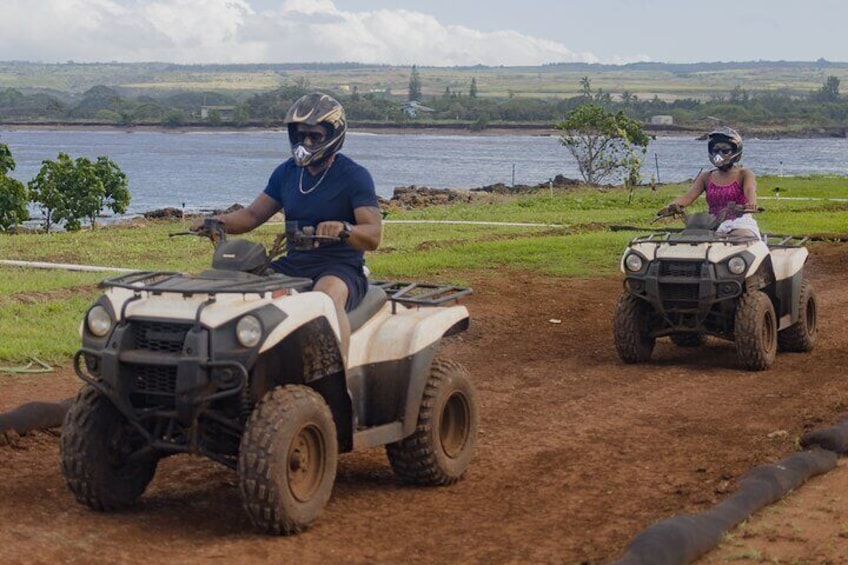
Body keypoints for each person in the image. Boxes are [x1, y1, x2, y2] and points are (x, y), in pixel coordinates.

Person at [197, 92, 382, 359]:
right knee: (240, 290)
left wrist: (345, 229)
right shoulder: (286, 173)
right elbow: (251, 216)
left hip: (340, 267)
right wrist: (215, 222)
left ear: (333, 135)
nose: (305, 142)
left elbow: (374, 234)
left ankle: (337, 369)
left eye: (314, 136)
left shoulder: (354, 176)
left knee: (325, 300)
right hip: (294, 263)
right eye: (300, 135)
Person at [660, 126, 760, 238]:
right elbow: (687, 197)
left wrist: (751, 203)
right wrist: (671, 206)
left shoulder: (744, 174)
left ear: (735, 151)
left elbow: (750, 190)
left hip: (739, 223)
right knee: (690, 243)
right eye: (716, 150)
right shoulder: (706, 177)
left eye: (725, 150)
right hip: (711, 223)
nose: (720, 154)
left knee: (741, 239)